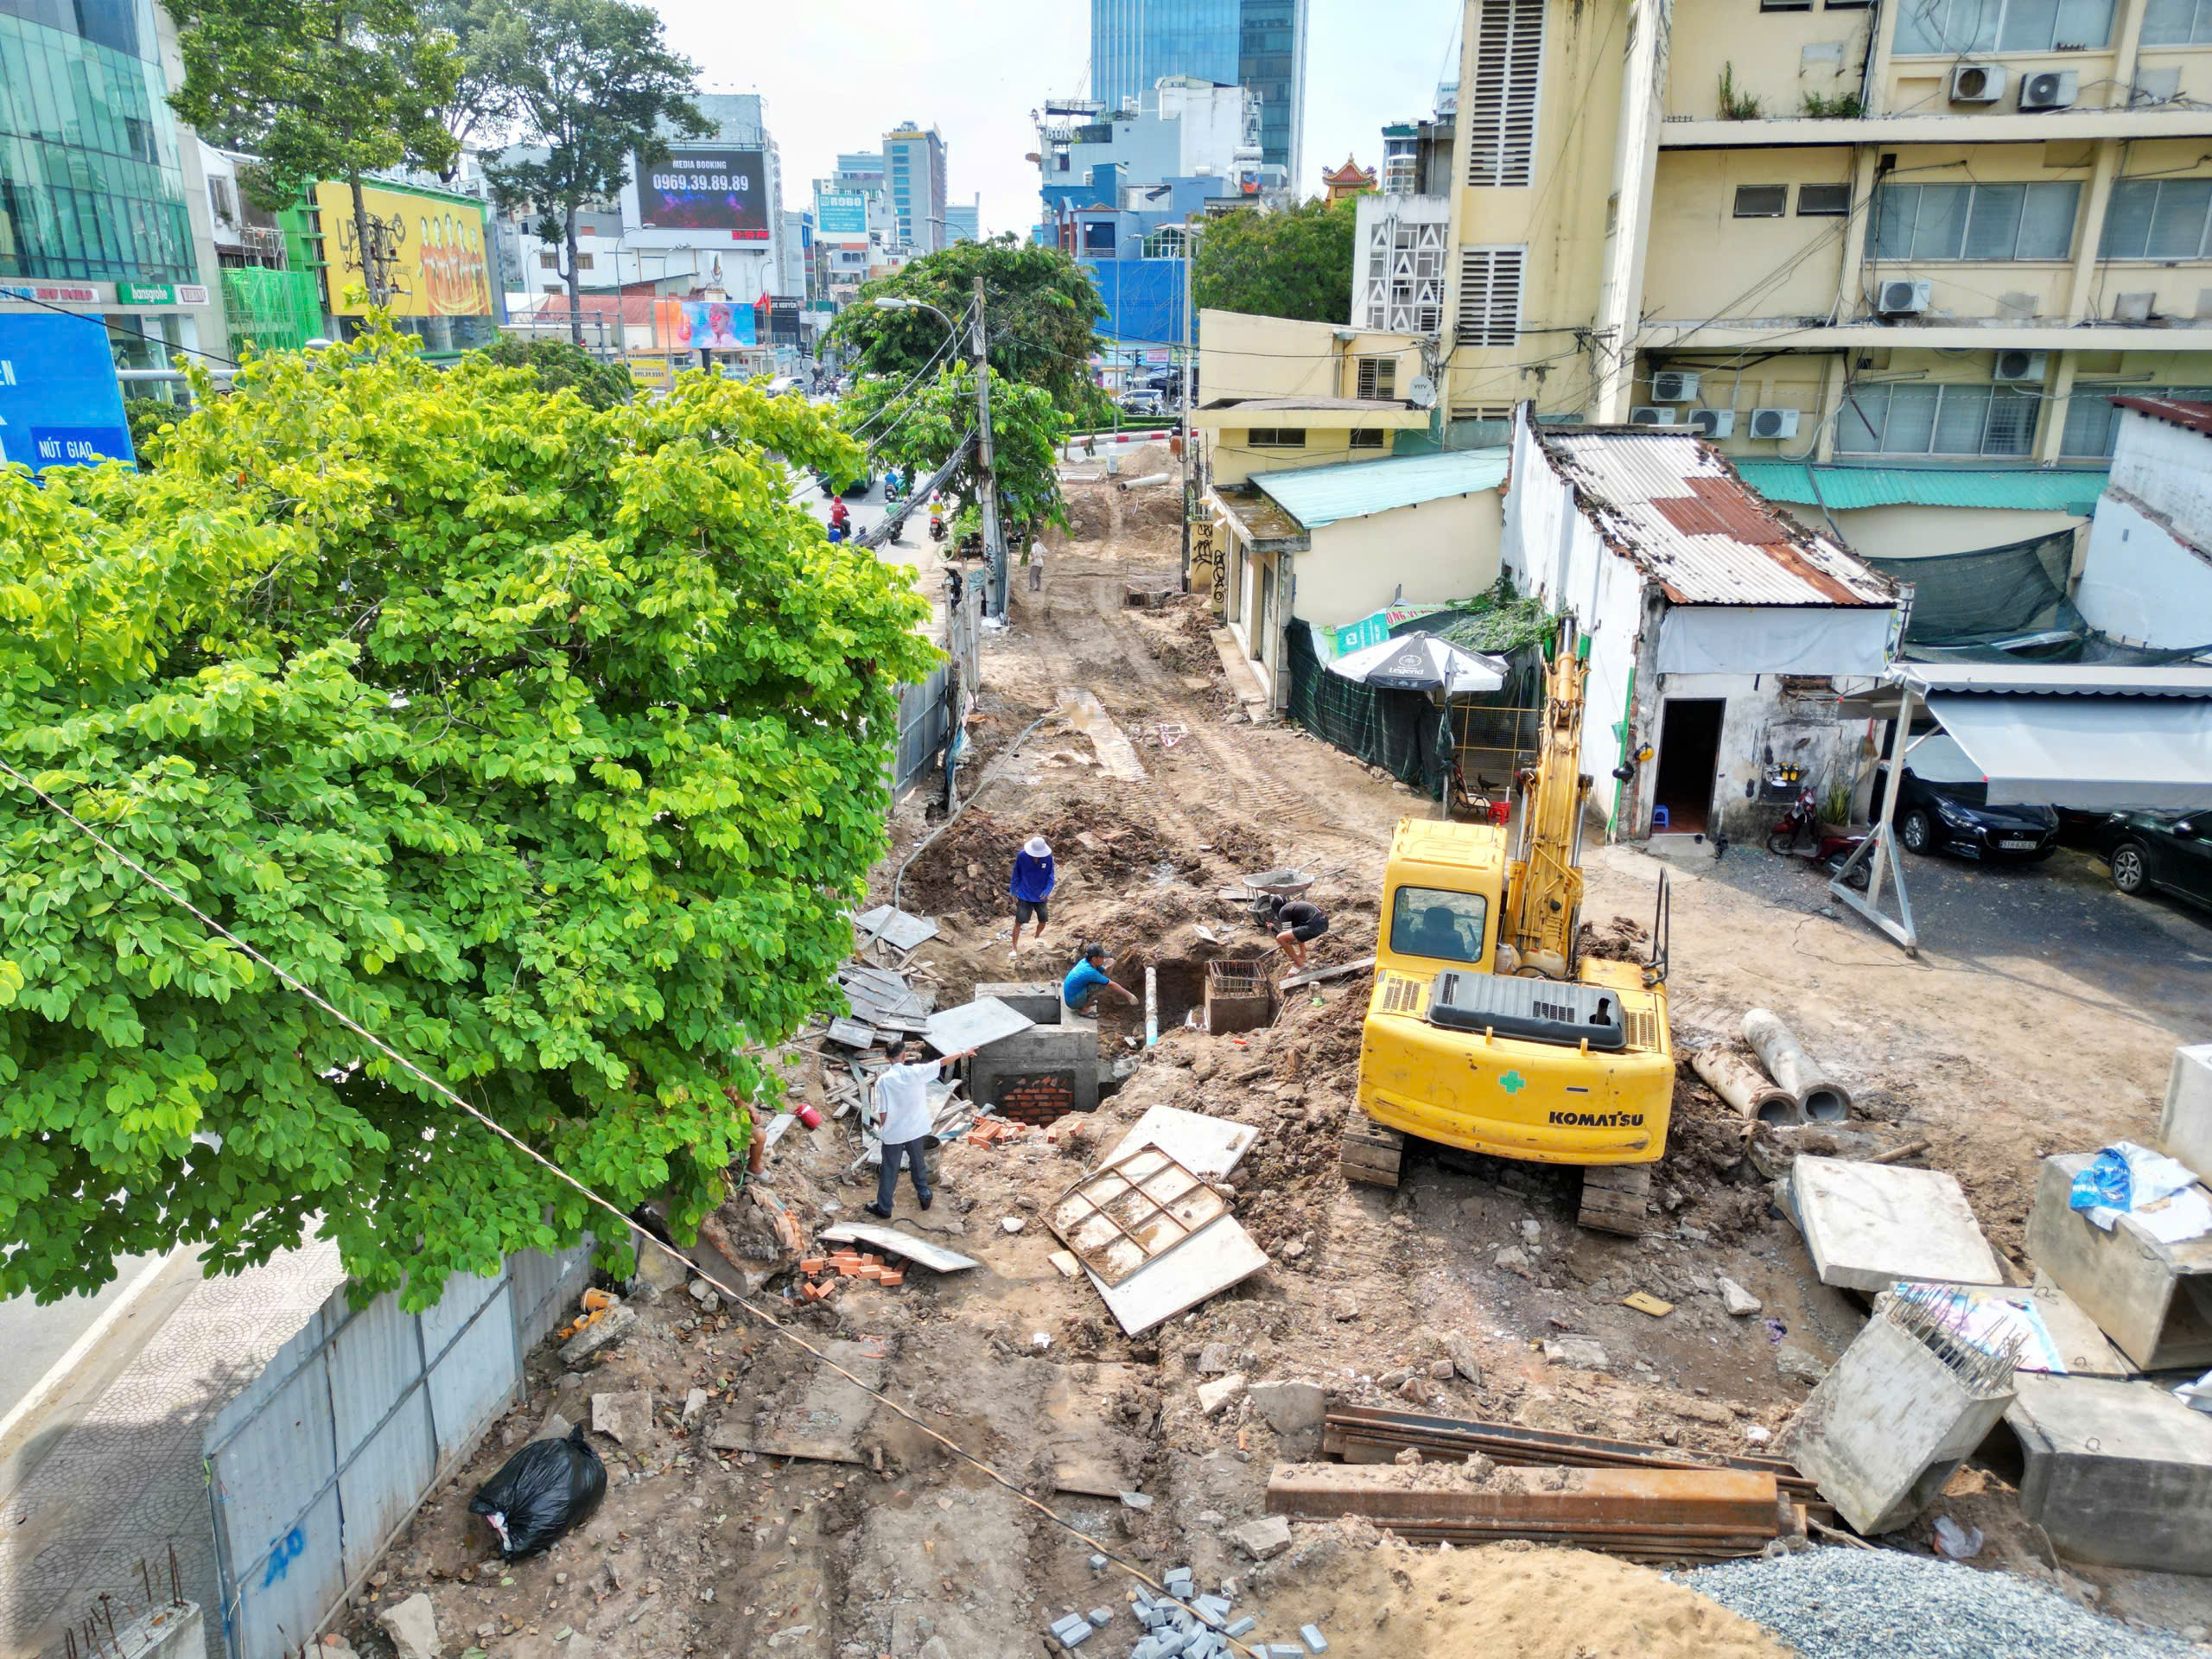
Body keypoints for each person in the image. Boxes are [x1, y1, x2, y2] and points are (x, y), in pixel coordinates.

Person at [864, 1040, 975, 1218]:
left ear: (886, 1057)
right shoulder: (917, 1072)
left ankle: (884, 1208)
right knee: (918, 1164)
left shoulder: (883, 1081)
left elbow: (883, 1112)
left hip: (894, 1133)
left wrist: (885, 1129)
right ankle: (924, 1196)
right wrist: (963, 1052)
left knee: (889, 1169)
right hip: (916, 1129)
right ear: (904, 1055)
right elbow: (942, 1062)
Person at [1008, 835, 1055, 959]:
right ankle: (1014, 947)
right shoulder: (1022, 856)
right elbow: (1016, 873)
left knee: (1043, 919)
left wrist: (1047, 891)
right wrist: (1013, 890)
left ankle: (1037, 936)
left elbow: (1051, 876)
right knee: (1019, 921)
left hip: (1040, 895)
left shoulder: (1048, 858)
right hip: (1024, 893)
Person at [1063, 942, 1138, 1014]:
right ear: (1094, 959)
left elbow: (1103, 972)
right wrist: (1129, 995)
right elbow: (1111, 984)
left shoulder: (1087, 961)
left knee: (1101, 981)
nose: (1104, 959)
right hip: (1072, 1001)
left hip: (1073, 993)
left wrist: (1109, 965)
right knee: (1101, 985)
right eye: (1102, 957)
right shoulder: (1089, 971)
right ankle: (1083, 1009)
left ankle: (1084, 1002)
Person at [1269, 894, 1329, 969]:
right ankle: (1302, 956)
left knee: (1280, 938)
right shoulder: (1292, 907)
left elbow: (1288, 940)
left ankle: (1300, 963)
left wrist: (1273, 928)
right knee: (1297, 930)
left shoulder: (1283, 911)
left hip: (1315, 924)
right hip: (1324, 922)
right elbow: (1295, 931)